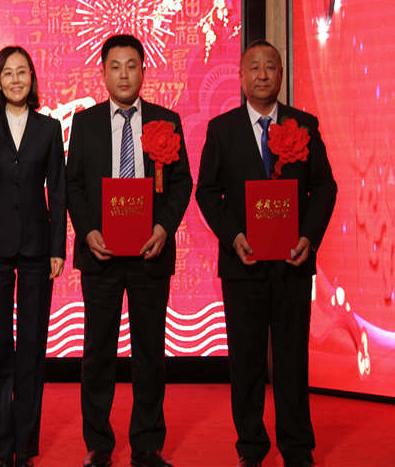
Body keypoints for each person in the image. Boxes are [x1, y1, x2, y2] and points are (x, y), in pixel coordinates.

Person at [195, 40, 337, 467]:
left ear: (280, 75)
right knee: (247, 360)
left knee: (292, 359)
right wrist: (233, 236)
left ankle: (297, 448)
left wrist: (309, 237)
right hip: (243, 265)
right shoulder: (222, 129)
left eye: (270, 67)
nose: (262, 75)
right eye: (254, 67)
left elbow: (325, 186)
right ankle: (251, 448)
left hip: (292, 263)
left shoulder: (303, 125)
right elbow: (207, 191)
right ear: (240, 77)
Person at [66, 34, 192, 467]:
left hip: (149, 253)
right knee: (97, 351)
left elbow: (182, 183)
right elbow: (74, 185)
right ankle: (98, 444)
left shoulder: (166, 121)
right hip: (100, 254)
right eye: (115, 66)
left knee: (150, 352)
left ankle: (147, 445)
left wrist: (163, 227)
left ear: (143, 71)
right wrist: (87, 231)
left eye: (132, 65)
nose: (124, 75)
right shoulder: (85, 123)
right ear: (102, 73)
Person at [0, 46, 67, 467]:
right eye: (7, 73)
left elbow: (57, 192)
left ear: (32, 78)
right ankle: (1, 445)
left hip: (37, 249)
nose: (15, 80)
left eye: (22, 72)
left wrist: (58, 248)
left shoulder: (50, 128)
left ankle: (24, 446)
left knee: (32, 346)